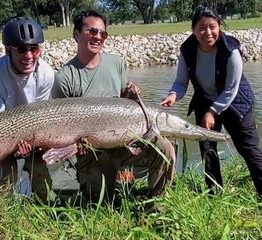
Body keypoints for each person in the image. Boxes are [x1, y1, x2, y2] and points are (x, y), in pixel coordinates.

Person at [161, 6, 262, 205]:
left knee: (249, 149)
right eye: (201, 27)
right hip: (205, 100)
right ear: (193, 30)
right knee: (207, 149)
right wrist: (173, 95)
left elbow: (231, 89)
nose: (207, 32)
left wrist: (212, 111)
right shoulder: (187, 51)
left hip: (236, 104)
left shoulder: (230, 50)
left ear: (219, 26)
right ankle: (214, 193)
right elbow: (181, 82)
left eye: (212, 26)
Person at [52, 10, 176, 202]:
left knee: (165, 148)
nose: (98, 37)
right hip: (91, 154)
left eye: (103, 33)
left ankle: (156, 206)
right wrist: (75, 145)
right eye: (92, 31)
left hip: (123, 145)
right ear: (76, 34)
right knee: (99, 203)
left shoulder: (115, 63)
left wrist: (130, 94)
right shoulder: (64, 78)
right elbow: (59, 128)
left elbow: (122, 102)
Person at [0, 16, 54, 199]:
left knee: (39, 171)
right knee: (6, 177)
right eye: (21, 49)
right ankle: (0, 214)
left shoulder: (46, 74)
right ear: (8, 50)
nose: (28, 56)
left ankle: (45, 208)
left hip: (32, 130)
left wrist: (35, 143)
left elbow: (40, 115)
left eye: (34, 49)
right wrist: (14, 146)